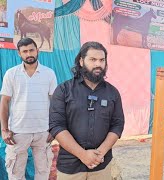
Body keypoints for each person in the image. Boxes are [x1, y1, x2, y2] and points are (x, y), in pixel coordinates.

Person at [49, 41, 125, 180]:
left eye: (102, 60)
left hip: (101, 165)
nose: (98, 64)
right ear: (81, 61)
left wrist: (99, 153)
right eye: (93, 59)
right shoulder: (64, 90)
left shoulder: (112, 93)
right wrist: (83, 155)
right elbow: (56, 126)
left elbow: (117, 125)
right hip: (70, 167)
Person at [0, 37, 57, 180]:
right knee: (15, 175)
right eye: (24, 51)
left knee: (43, 174)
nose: (29, 54)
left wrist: (54, 128)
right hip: (17, 133)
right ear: (19, 54)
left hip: (43, 132)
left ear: (37, 51)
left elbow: (55, 103)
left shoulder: (49, 73)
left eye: (31, 50)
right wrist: (4, 130)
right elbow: (4, 102)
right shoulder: (11, 74)